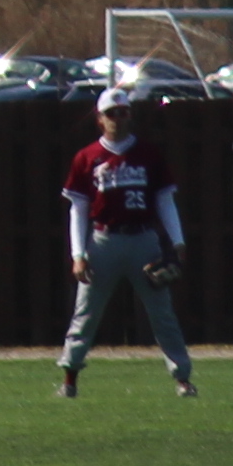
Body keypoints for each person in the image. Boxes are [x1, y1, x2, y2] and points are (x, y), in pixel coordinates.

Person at [56, 83, 195, 399]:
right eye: (111, 113)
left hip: (144, 240)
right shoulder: (87, 157)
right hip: (104, 240)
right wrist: (78, 254)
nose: (117, 118)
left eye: (123, 112)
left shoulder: (147, 154)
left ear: (130, 116)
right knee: (86, 312)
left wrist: (177, 241)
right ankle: (69, 379)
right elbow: (78, 209)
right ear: (100, 119)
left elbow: (165, 201)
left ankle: (183, 378)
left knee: (162, 314)